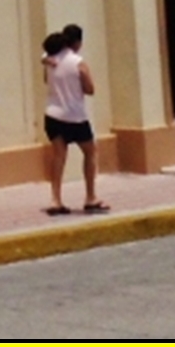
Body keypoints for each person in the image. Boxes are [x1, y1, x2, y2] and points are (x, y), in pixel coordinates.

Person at [43, 24, 108, 214]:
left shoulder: (50, 60)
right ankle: (90, 196)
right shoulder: (79, 63)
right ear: (78, 42)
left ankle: (56, 199)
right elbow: (90, 89)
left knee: (58, 157)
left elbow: (46, 80)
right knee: (90, 152)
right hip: (75, 116)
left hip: (53, 115)